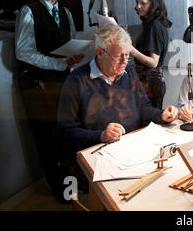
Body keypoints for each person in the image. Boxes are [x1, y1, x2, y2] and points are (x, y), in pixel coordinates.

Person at [56, 25, 178, 172]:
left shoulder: (128, 72)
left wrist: (162, 115)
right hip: (99, 159)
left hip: (132, 152)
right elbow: (65, 132)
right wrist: (100, 136)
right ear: (100, 53)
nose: (124, 61)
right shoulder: (76, 81)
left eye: (127, 55)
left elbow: (142, 108)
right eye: (118, 57)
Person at [14, 0, 84, 202]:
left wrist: (75, 59)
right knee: (47, 139)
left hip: (64, 82)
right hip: (38, 85)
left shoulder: (65, 13)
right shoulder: (28, 11)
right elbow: (23, 52)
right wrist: (59, 64)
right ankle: (62, 193)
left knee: (69, 133)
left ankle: (74, 185)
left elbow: (72, 42)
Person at [130, 0, 172, 109]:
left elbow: (153, 62)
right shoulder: (151, 25)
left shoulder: (154, 26)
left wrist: (130, 49)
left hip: (150, 84)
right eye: (137, 2)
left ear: (154, 4)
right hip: (147, 83)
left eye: (143, 3)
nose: (138, 7)